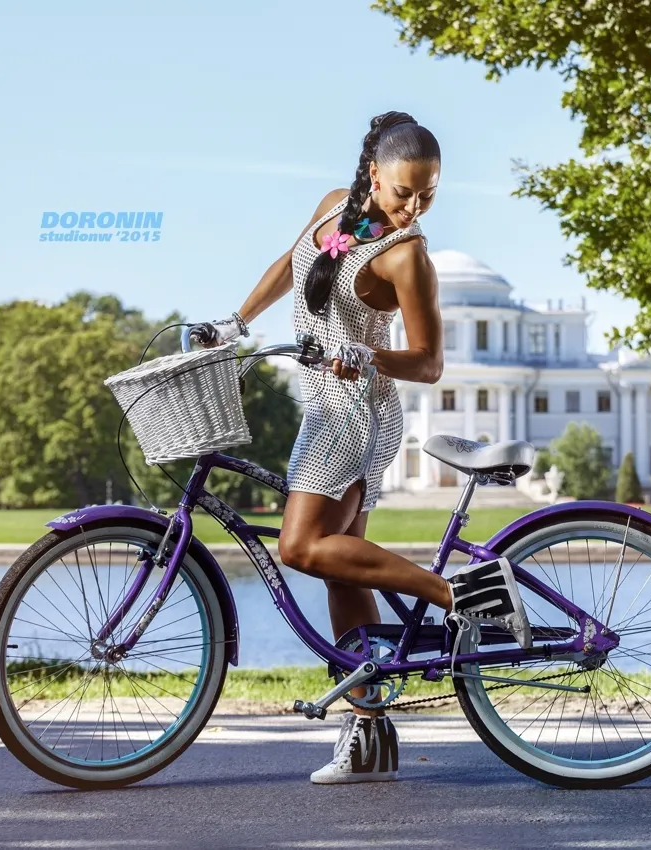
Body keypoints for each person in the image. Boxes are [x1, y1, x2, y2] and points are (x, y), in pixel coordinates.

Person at [191, 111, 530, 784]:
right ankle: (369, 740)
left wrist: (365, 352)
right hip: (321, 405)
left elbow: (430, 362)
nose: (413, 206)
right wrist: (236, 322)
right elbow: (290, 267)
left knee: (299, 548)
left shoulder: (408, 255)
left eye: (428, 194)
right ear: (373, 173)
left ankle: (461, 594)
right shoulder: (331, 210)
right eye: (404, 191)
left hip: (359, 414)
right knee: (343, 573)